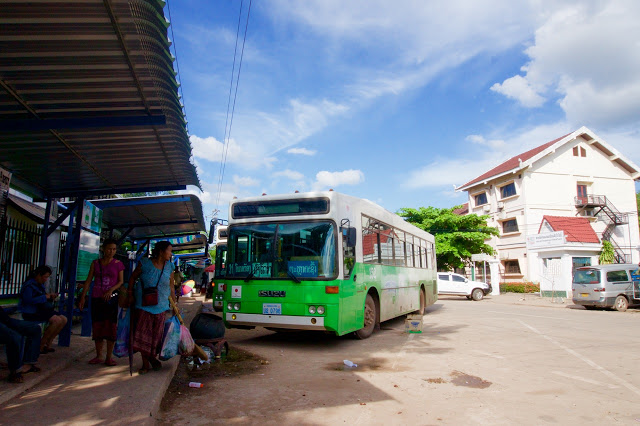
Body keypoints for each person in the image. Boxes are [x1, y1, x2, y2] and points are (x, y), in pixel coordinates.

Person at [127, 241, 175, 375]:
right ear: (161, 251)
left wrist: (175, 304)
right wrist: (130, 294)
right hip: (144, 306)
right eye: (169, 251)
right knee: (144, 336)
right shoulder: (145, 263)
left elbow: (171, 286)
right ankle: (145, 364)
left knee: (156, 337)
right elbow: (132, 278)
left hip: (161, 307)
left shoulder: (169, 267)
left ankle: (151, 357)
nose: (171, 254)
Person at [79, 238, 125, 366]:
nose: (111, 251)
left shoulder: (118, 264)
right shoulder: (95, 263)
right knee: (97, 326)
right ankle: (99, 355)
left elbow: (120, 281)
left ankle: (108, 357)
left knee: (111, 327)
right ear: (103, 249)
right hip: (96, 298)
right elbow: (88, 281)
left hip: (111, 299)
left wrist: (111, 290)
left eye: (114, 249)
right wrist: (83, 297)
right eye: (109, 249)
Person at [18, 265, 67, 354]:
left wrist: (49, 296)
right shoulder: (29, 285)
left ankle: (48, 343)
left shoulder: (39, 285)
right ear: (38, 275)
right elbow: (28, 300)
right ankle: (41, 345)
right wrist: (44, 297)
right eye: (45, 277)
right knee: (56, 320)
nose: (46, 279)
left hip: (41, 310)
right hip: (31, 311)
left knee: (64, 319)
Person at [0, 307, 42, 383]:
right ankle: (15, 370)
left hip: (5, 320)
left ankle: (28, 363)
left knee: (35, 328)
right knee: (14, 337)